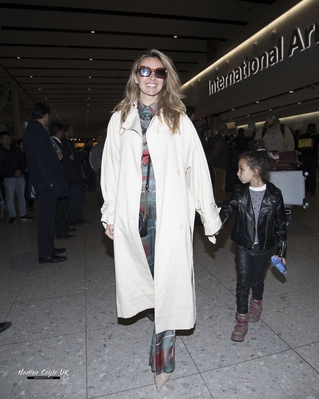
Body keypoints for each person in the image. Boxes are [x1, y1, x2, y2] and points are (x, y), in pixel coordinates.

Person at [100, 49, 221, 391]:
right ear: (135, 76)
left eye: (160, 72)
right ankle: (160, 323)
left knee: (168, 285)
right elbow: (109, 171)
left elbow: (197, 170)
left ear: (167, 78)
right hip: (132, 216)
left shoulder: (178, 119)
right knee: (149, 284)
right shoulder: (119, 118)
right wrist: (109, 214)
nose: (152, 77)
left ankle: (162, 358)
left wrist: (209, 218)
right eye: (145, 70)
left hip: (169, 218)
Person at [218, 143, 287, 342]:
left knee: (257, 280)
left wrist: (281, 252)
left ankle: (256, 304)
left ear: (255, 171)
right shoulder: (239, 192)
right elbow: (228, 209)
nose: (238, 173)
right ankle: (241, 321)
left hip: (264, 247)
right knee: (242, 282)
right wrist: (218, 224)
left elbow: (281, 226)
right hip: (242, 245)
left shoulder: (274, 195)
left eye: (241, 169)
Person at [23, 103, 67, 264]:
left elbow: (41, 155)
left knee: (48, 217)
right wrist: (49, 181)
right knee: (46, 219)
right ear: (46, 115)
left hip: (44, 181)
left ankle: (49, 248)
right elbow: (40, 160)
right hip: (46, 183)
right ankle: (45, 254)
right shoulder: (36, 131)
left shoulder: (34, 130)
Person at [0, 132, 33, 224]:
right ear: (1, 140)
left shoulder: (16, 149)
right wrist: (13, 172)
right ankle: (12, 216)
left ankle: (23, 214)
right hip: (8, 177)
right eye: (4, 138)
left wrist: (21, 171)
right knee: (10, 197)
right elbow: (1, 166)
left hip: (20, 176)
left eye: (8, 138)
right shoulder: (1, 151)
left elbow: (23, 160)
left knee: (21, 196)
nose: (6, 140)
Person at [62, 124, 88, 225]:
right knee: (73, 199)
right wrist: (82, 154)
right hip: (72, 176)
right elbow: (73, 158)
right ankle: (71, 218)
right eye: (72, 131)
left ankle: (78, 216)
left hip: (76, 176)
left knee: (79, 198)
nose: (73, 133)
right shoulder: (65, 144)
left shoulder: (69, 143)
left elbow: (74, 156)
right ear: (66, 132)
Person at [298, 123, 319, 196]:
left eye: (312, 128)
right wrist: (304, 148)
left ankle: (313, 190)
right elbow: (299, 147)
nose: (311, 130)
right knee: (305, 174)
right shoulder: (303, 136)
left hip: (313, 157)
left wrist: (317, 135)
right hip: (305, 157)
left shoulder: (317, 137)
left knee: (313, 174)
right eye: (310, 128)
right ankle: (306, 188)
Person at [209, 123, 230, 204]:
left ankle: (220, 198)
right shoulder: (221, 140)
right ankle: (219, 199)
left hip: (217, 163)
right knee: (220, 183)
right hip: (220, 164)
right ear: (225, 130)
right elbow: (215, 153)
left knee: (219, 183)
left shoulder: (217, 139)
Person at [89, 133, 105, 206]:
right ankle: (99, 200)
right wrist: (94, 168)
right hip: (98, 169)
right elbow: (91, 159)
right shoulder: (94, 148)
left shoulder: (107, 147)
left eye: (101, 138)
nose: (100, 140)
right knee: (98, 186)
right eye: (99, 138)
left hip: (106, 169)